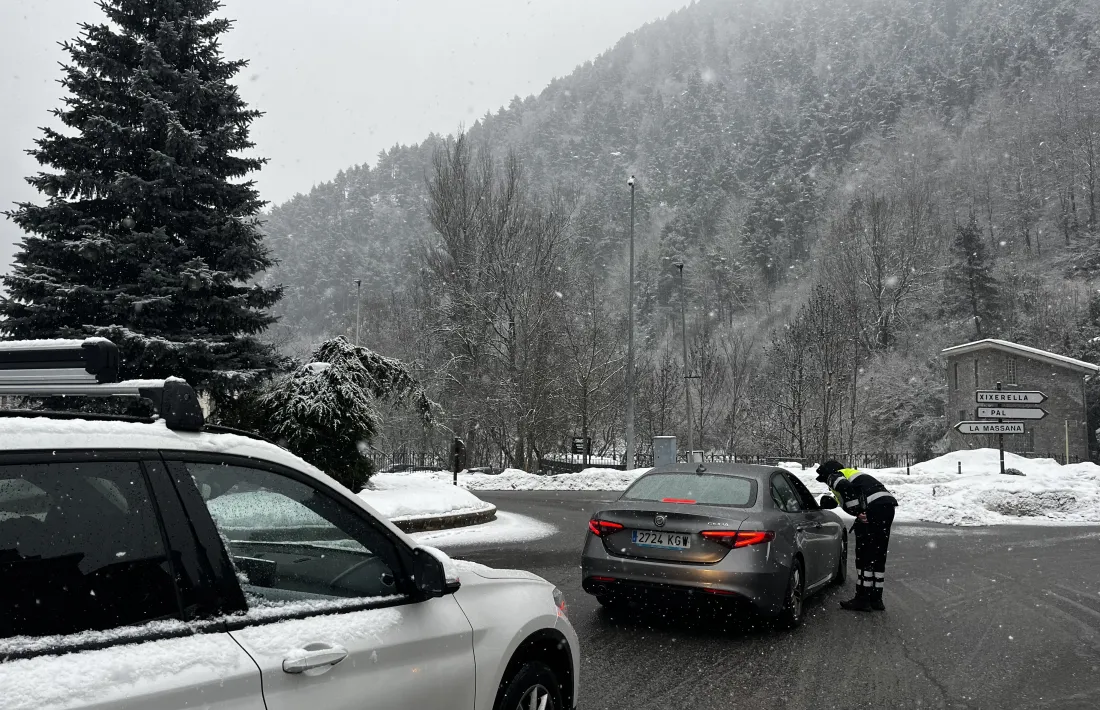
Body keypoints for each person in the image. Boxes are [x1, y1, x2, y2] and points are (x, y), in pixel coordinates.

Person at [816, 460, 898, 612]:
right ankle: (876, 599)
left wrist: (858, 511)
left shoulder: (835, 476)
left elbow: (845, 489)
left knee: (865, 554)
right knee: (878, 554)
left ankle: (862, 599)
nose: (826, 483)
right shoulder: (854, 476)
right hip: (887, 507)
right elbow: (849, 495)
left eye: (824, 478)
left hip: (873, 508)